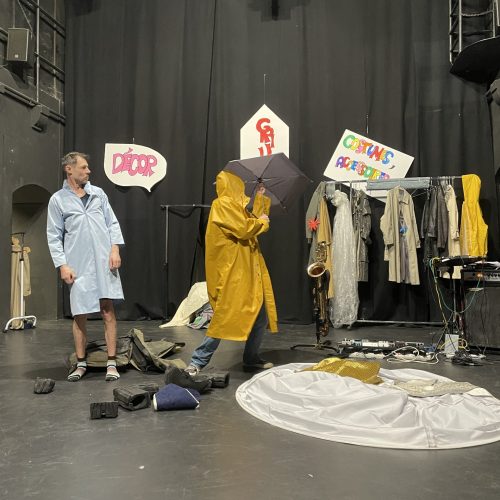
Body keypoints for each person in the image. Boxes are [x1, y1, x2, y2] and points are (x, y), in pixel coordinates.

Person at [185, 171, 278, 375]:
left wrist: (260, 197)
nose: (243, 189)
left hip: (246, 270)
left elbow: (253, 221)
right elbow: (245, 229)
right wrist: (262, 222)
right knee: (224, 318)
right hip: (233, 273)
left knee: (259, 316)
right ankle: (197, 362)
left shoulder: (235, 208)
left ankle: (251, 358)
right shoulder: (222, 204)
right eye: (240, 185)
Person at [46, 152, 125, 382]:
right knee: (80, 312)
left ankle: (111, 363)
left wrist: (115, 249)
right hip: (78, 264)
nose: (88, 171)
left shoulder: (98, 194)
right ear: (69, 169)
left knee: (107, 309)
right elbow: (53, 236)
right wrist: (62, 265)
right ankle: (81, 363)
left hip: (104, 260)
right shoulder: (58, 200)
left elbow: (112, 223)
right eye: (84, 167)